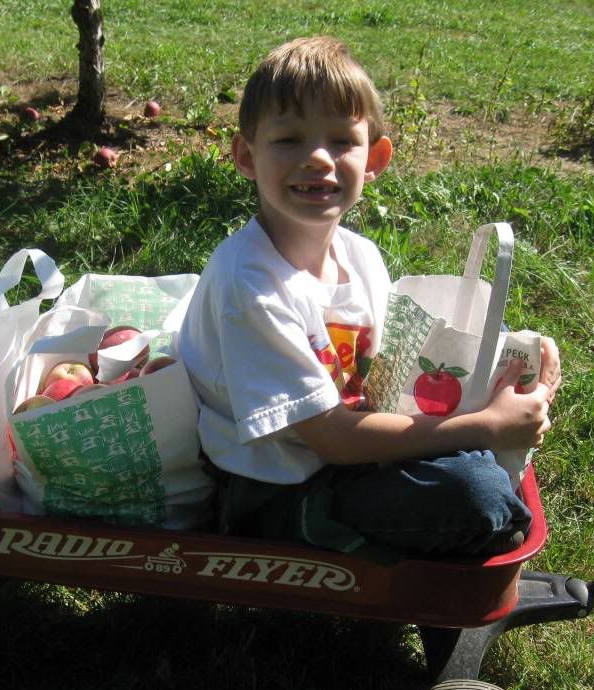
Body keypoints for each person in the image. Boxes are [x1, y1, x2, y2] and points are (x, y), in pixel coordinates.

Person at [178, 36, 562, 558]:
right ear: (247, 156)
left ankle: (476, 513)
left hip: (353, 457)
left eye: (340, 141)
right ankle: (450, 523)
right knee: (473, 489)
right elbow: (331, 437)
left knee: (474, 472)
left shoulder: (360, 256)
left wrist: (514, 364)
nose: (317, 158)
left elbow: (388, 376)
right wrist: (484, 427)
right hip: (280, 488)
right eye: (289, 140)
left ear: (375, 158)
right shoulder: (252, 285)